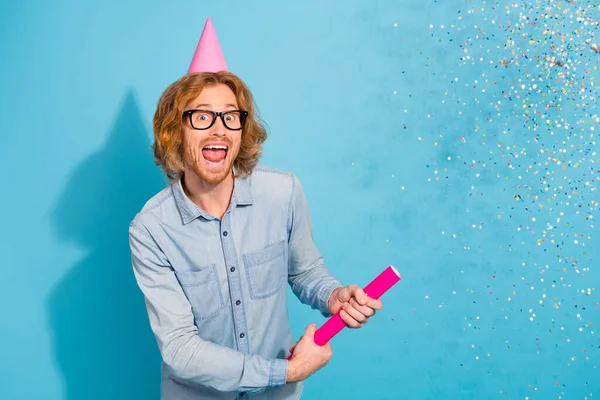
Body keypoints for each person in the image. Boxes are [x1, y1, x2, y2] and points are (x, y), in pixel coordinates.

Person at [128, 18, 383, 400]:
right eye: (201, 116)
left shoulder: (283, 192)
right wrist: (287, 371)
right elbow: (180, 347)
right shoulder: (151, 230)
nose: (218, 129)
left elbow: (305, 271)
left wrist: (332, 296)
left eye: (230, 116)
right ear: (175, 131)